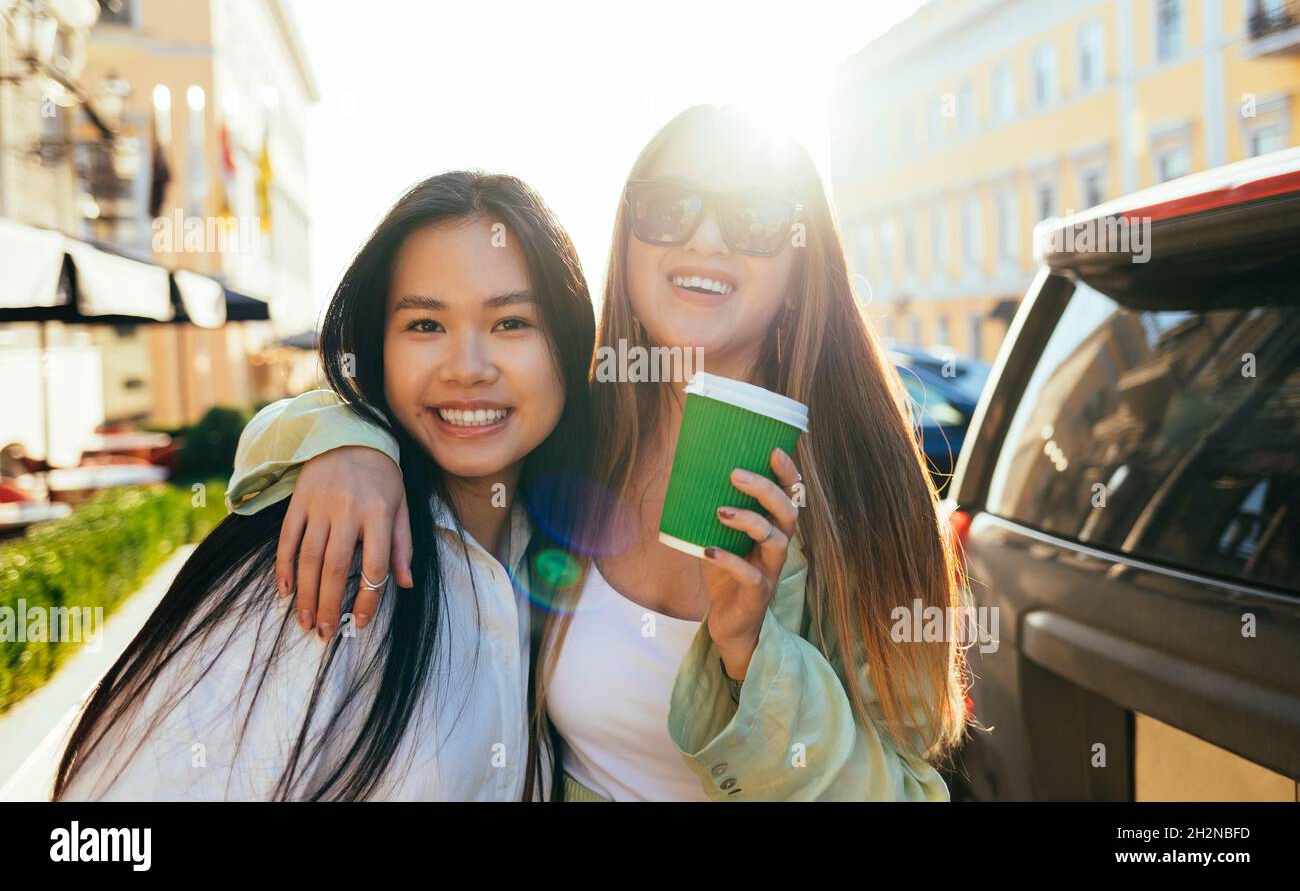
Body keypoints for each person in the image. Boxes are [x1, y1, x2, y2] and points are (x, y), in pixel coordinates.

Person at [226, 105, 969, 801]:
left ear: (802, 268)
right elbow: (436, 399)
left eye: (754, 217)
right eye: (670, 206)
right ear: (628, 237)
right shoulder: (579, 434)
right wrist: (352, 443)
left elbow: (910, 789)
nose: (706, 238)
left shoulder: (865, 486)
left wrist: (754, 655)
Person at [54, 171, 595, 801]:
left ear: (571, 340)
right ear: (377, 350)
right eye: (425, 325)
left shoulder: (560, 554)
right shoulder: (319, 557)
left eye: (511, 323)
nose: (467, 368)